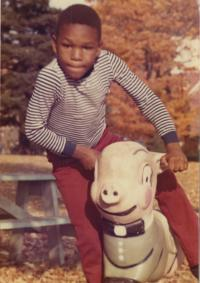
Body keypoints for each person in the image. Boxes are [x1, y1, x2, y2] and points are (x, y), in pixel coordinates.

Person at [25, 4, 198, 283]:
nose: (77, 56)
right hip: (67, 159)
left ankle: (197, 256)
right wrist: (78, 152)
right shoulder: (50, 78)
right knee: (89, 232)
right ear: (54, 43)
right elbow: (34, 128)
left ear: (99, 47)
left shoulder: (109, 63)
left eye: (87, 47)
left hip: (104, 143)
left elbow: (147, 99)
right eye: (68, 46)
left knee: (163, 178)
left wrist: (173, 143)